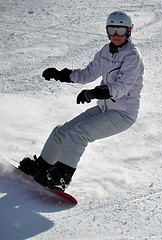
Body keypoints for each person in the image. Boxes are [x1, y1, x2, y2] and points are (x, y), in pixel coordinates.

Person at [18, 11, 144, 192]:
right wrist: (62, 75)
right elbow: (88, 73)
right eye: (112, 30)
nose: (116, 35)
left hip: (123, 114)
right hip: (104, 109)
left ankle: (60, 178)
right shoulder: (105, 51)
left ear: (129, 31)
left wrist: (94, 93)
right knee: (62, 132)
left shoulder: (132, 56)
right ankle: (43, 167)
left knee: (79, 134)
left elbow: (122, 87)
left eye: (121, 30)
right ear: (107, 31)